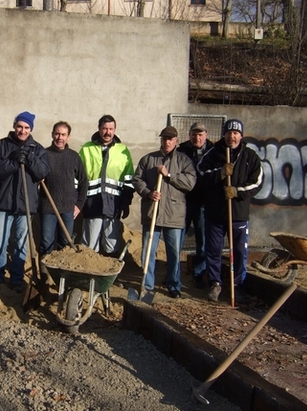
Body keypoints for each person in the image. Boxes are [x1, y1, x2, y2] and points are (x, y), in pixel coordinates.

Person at [197, 119, 263, 302]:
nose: (232, 137)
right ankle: (215, 283)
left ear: (241, 136)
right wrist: (220, 174)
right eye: (228, 133)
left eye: (235, 133)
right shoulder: (212, 154)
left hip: (238, 214)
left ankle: (237, 285)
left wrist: (236, 191)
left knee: (240, 251)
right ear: (224, 135)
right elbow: (200, 175)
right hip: (215, 213)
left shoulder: (250, 157)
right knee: (214, 250)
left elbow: (257, 182)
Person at [0, 112, 50, 292]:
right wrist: (13, 161)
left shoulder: (38, 149)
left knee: (21, 244)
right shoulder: (2, 146)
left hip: (26, 205)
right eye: (20, 126)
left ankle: (16, 278)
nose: (22, 131)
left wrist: (29, 158)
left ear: (31, 129)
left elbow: (42, 173)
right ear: (15, 126)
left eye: (26, 128)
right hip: (3, 203)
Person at [133, 126, 196, 298]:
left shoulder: (184, 161)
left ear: (176, 141)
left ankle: (174, 285)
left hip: (174, 215)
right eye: (164, 139)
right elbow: (136, 179)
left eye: (170, 139)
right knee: (147, 251)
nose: (167, 142)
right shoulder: (148, 159)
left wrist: (169, 176)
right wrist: (147, 192)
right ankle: (147, 284)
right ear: (161, 140)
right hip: (152, 213)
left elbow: (190, 183)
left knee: (174, 253)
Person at [79, 115, 134, 254]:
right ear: (99, 129)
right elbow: (78, 177)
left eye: (111, 129)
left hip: (113, 205)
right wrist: (79, 201)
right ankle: (89, 274)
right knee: (89, 245)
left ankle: (109, 274)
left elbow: (129, 179)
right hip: (92, 204)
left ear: (115, 130)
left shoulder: (123, 151)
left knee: (111, 245)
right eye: (104, 128)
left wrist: (126, 202)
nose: (107, 132)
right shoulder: (86, 149)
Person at [39, 121, 87, 256]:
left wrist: (79, 205)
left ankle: (61, 276)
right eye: (57, 134)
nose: (60, 137)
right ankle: (45, 276)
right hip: (48, 207)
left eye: (63, 135)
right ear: (52, 134)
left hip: (68, 209)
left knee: (65, 245)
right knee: (46, 243)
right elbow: (36, 174)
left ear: (68, 137)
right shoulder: (44, 154)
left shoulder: (74, 156)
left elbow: (84, 181)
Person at [177, 122, 214, 288]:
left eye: (200, 134)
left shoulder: (213, 152)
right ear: (189, 135)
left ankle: (199, 274)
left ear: (205, 135)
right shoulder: (182, 151)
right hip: (184, 201)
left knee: (203, 240)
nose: (197, 138)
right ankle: (173, 273)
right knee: (177, 239)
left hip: (203, 203)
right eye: (194, 134)